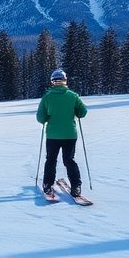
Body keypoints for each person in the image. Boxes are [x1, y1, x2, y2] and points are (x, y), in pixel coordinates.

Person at [35, 68, 88, 197]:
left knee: (51, 160)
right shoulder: (73, 96)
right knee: (69, 160)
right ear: (65, 81)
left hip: (53, 135)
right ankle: (76, 186)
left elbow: (40, 118)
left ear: (52, 81)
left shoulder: (47, 97)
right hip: (70, 134)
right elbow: (82, 112)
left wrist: (48, 117)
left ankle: (48, 185)